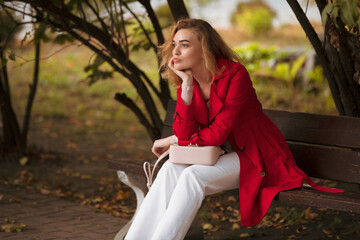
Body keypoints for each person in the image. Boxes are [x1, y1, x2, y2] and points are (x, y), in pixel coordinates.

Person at [124, 18, 342, 240]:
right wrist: (187, 90)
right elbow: (184, 133)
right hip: (214, 153)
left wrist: (175, 141)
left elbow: (217, 133)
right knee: (171, 168)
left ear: (205, 47)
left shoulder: (235, 75)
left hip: (252, 154)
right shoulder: (186, 83)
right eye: (174, 44)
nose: (175, 51)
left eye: (185, 44)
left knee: (192, 176)